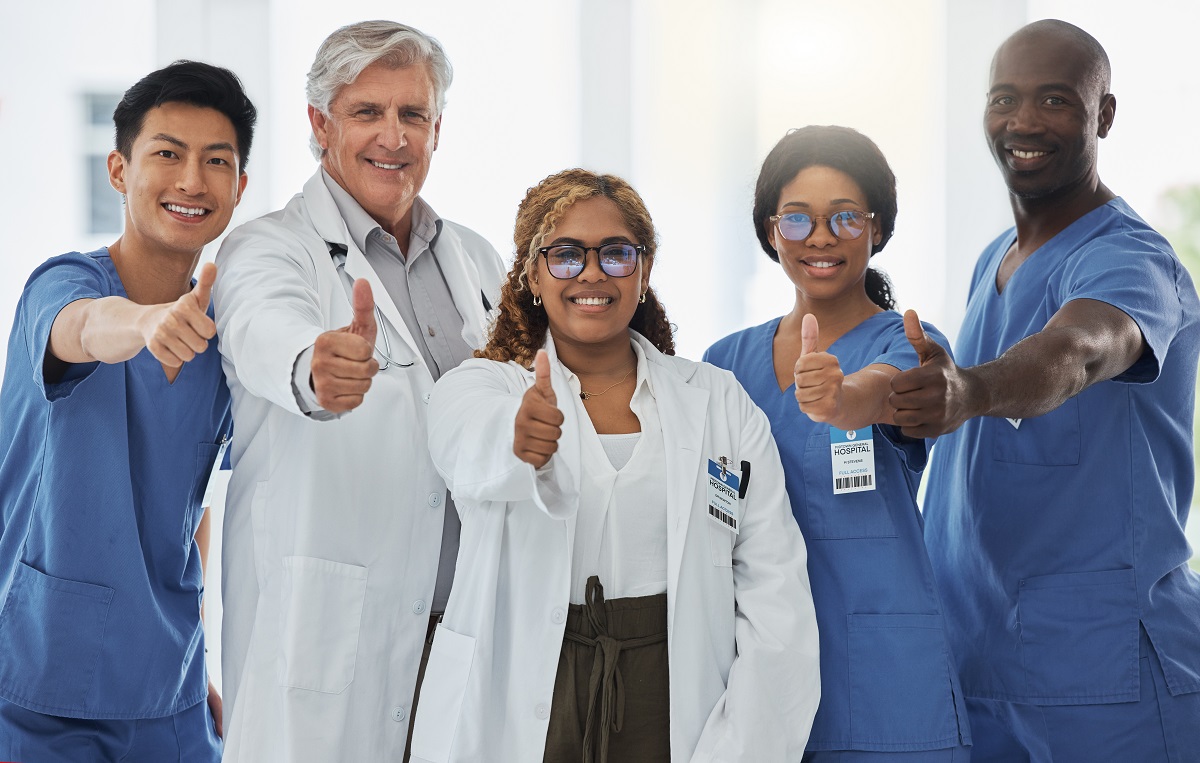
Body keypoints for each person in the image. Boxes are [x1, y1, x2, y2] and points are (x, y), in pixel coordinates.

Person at [408, 168, 820, 762]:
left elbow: (775, 596)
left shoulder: (718, 401)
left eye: (617, 254)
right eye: (567, 255)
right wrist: (518, 437)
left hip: (670, 693)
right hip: (529, 692)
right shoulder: (487, 388)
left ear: (644, 271)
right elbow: (462, 441)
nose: (593, 273)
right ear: (532, 274)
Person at [889, 19, 1200, 762]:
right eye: (1005, 98)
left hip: (1105, 678)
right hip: (986, 662)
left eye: (1056, 100)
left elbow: (1077, 353)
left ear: (1104, 115)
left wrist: (968, 389)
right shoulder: (996, 258)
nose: (1024, 122)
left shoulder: (1129, 258)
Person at [213, 20, 505, 762]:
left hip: (463, 630)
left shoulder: (473, 259)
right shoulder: (269, 248)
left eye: (413, 114)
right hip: (331, 638)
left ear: (438, 127)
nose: (393, 136)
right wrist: (316, 367)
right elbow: (263, 331)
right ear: (320, 124)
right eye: (367, 112)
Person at [0, 61, 254, 762]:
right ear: (119, 169)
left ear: (240, 186)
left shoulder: (224, 335)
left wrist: (194, 662)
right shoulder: (65, 283)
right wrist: (144, 325)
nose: (191, 181)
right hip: (36, 687)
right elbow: (81, 328)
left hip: (167, 692)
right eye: (167, 154)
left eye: (216, 161)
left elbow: (187, 501)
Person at [704, 126, 971, 762]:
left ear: (876, 231)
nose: (821, 237)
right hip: (754, 669)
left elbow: (882, 391)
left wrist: (837, 399)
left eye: (846, 217)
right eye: (798, 220)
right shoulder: (723, 364)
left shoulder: (908, 341)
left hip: (882, 676)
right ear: (772, 233)